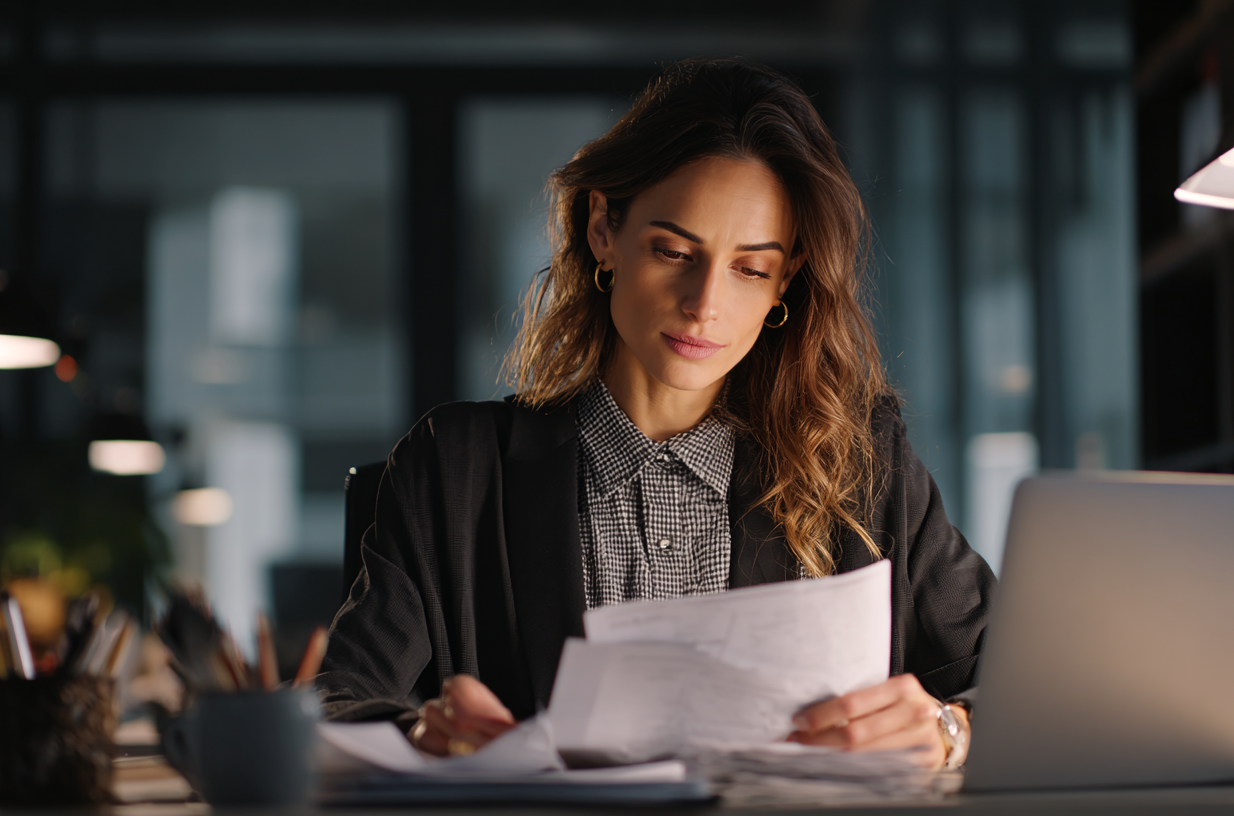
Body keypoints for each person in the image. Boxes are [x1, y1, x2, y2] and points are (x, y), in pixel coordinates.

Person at [315, 58, 994, 769]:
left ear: (785, 277)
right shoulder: (454, 467)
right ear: (605, 227)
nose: (704, 304)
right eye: (673, 251)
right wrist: (423, 734)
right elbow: (343, 701)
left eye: (750, 268)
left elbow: (1021, 683)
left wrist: (951, 729)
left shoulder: (864, 463)